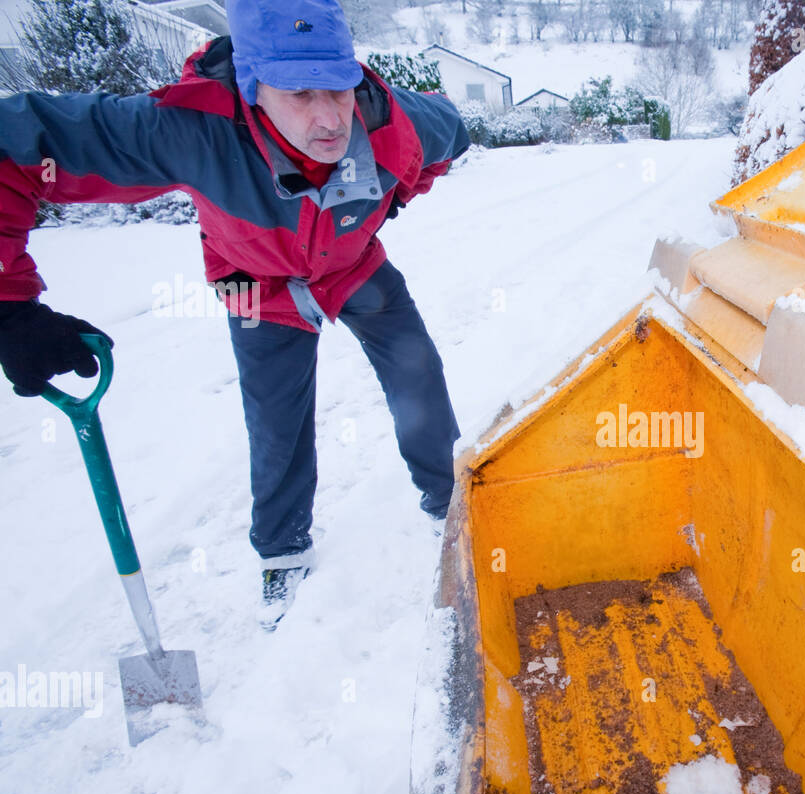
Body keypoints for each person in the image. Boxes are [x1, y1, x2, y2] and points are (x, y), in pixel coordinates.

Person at [0, 0, 470, 629]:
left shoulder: (394, 121)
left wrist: (396, 196)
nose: (330, 117)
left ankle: (451, 501)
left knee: (418, 375)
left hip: (353, 265)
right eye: (300, 92)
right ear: (253, 88)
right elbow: (15, 148)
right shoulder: (189, 130)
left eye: (339, 87)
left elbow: (451, 134)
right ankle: (283, 550)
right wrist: (9, 306)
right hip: (257, 284)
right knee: (275, 419)